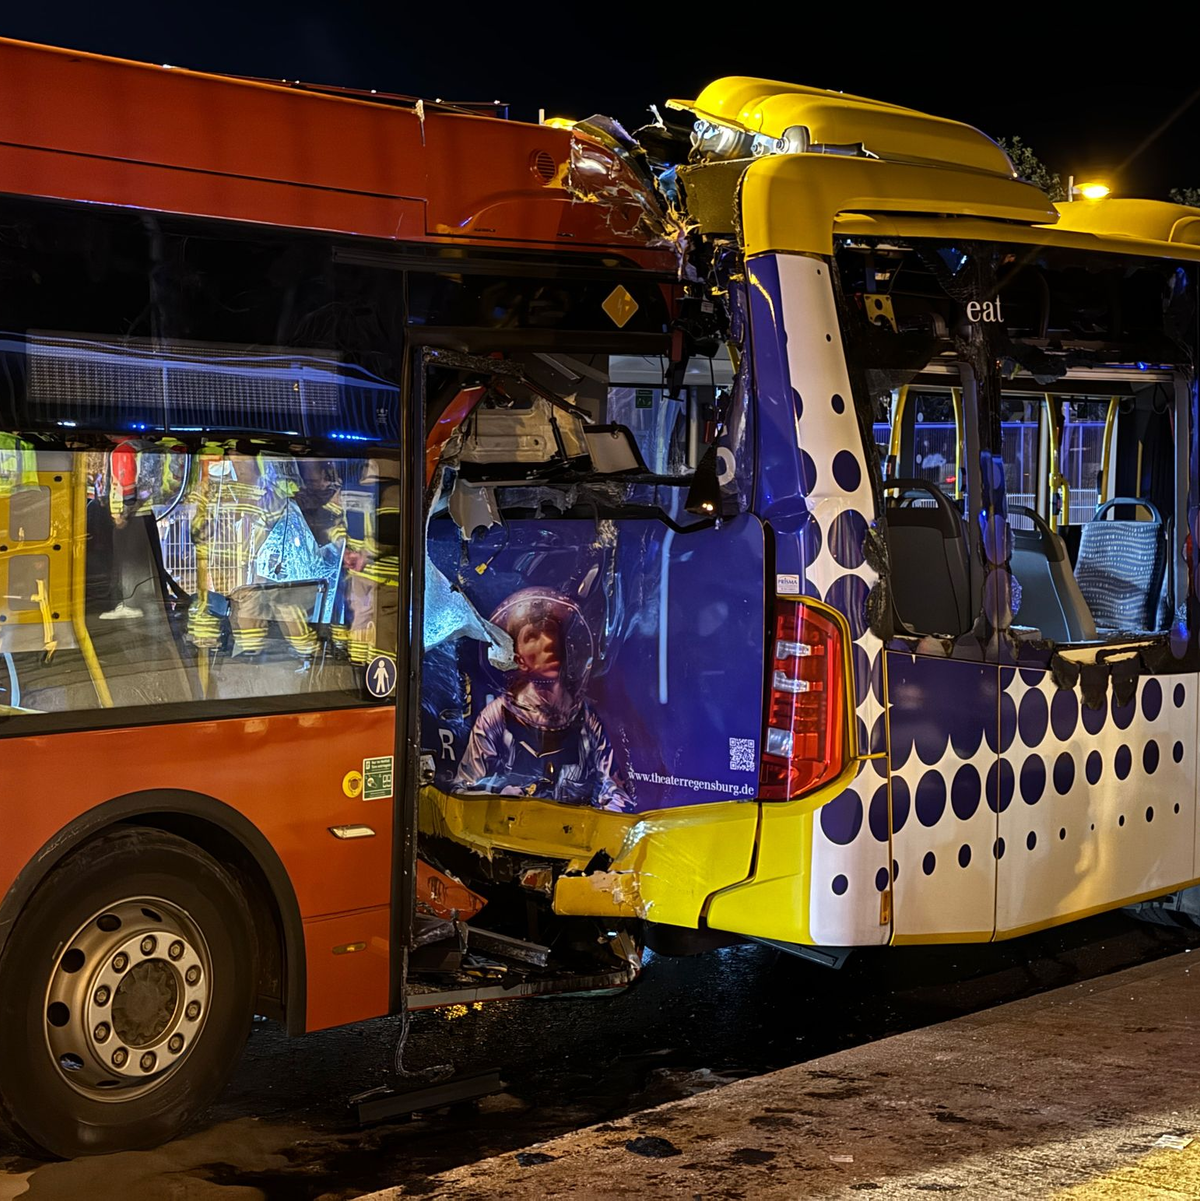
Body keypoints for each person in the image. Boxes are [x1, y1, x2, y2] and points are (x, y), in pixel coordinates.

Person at [453, 587, 633, 811]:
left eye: (550, 630)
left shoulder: (585, 717)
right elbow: (464, 789)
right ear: (518, 659)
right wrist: (498, 795)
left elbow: (614, 789)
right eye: (532, 637)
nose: (547, 642)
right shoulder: (496, 717)